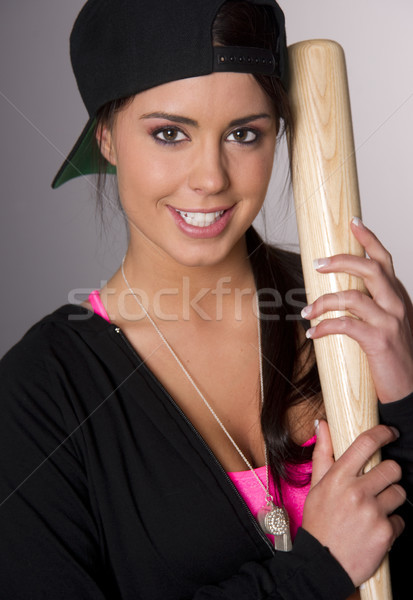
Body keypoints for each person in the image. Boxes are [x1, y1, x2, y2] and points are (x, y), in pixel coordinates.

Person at [0, 0, 412, 598]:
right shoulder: (39, 392)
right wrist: (315, 570)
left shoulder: (352, 308)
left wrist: (405, 401)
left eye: (245, 134)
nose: (212, 177)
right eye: (169, 133)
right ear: (107, 138)